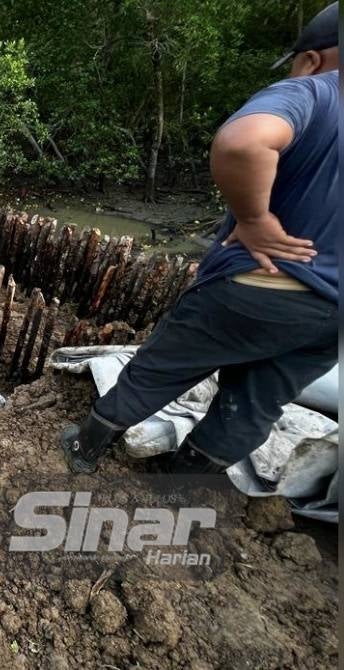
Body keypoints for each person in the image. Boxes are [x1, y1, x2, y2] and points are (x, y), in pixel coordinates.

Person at [60, 2, 340, 475]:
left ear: (312, 59)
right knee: (256, 400)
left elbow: (243, 142)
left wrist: (253, 219)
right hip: (332, 318)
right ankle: (180, 486)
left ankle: (84, 448)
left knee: (165, 363)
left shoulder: (314, 91)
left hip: (265, 287)